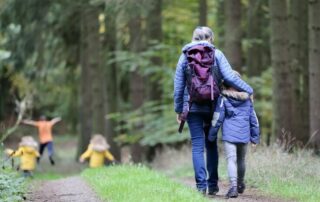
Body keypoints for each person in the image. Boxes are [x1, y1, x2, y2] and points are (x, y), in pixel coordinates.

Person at [174, 26, 253, 195]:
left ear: (193, 38)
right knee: (211, 144)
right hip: (213, 106)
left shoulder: (184, 56)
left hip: (192, 106)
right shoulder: (217, 54)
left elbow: (178, 86)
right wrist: (249, 90)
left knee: (197, 146)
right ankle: (213, 186)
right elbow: (230, 77)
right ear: (210, 38)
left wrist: (179, 109)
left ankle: (200, 187)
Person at [208, 71, 260, 198]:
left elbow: (217, 118)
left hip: (229, 135)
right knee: (241, 160)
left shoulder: (223, 98)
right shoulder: (248, 99)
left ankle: (233, 187)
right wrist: (255, 137)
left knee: (231, 160)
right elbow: (254, 120)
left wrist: (211, 135)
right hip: (244, 134)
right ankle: (241, 183)